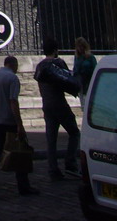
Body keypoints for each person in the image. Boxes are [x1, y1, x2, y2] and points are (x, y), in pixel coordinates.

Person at [0, 55, 38, 199]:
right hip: (8, 121)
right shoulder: (12, 78)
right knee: (20, 150)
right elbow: (13, 102)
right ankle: (23, 185)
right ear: (14, 65)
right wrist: (20, 125)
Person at [34, 36, 80, 179]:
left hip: (46, 104)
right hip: (59, 103)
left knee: (51, 139)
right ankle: (70, 162)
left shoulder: (40, 66)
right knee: (74, 132)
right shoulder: (58, 63)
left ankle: (52, 169)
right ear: (55, 50)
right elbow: (68, 80)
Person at [73, 37, 97, 107]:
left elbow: (94, 69)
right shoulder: (77, 57)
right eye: (78, 47)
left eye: (81, 46)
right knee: (84, 105)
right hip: (81, 85)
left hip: (89, 83)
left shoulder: (90, 57)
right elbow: (75, 69)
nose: (80, 49)